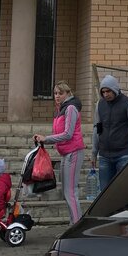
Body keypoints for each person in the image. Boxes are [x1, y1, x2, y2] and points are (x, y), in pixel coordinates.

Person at [35, 83, 85, 223]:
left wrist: (47, 139)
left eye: (60, 93)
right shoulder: (61, 109)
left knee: (71, 192)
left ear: (68, 93)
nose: (57, 96)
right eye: (55, 93)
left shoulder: (70, 108)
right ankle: (74, 222)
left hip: (73, 151)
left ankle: (76, 225)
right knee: (66, 191)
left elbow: (68, 134)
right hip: (65, 152)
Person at [92, 74, 128, 192]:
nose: (106, 94)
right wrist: (94, 153)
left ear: (115, 89)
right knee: (104, 192)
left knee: (123, 190)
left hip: (123, 154)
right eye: (103, 92)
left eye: (108, 91)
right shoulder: (100, 105)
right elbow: (97, 129)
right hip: (104, 155)